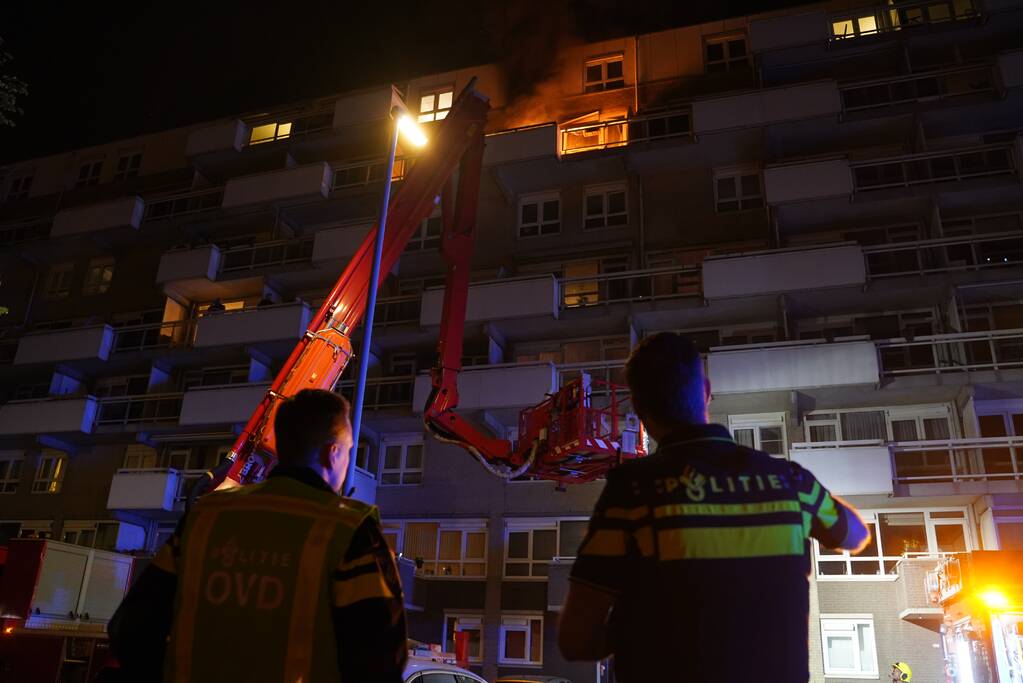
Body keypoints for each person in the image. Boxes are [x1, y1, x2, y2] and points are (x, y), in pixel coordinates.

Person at [557, 332, 870, 682]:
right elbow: (855, 535)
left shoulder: (631, 492)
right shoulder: (791, 482)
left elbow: (576, 641)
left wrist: (645, 619)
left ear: (640, 410)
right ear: (705, 390)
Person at [108, 389, 407, 682]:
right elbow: (380, 659)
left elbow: (131, 628)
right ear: (333, 454)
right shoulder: (350, 529)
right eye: (349, 450)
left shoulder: (206, 517)